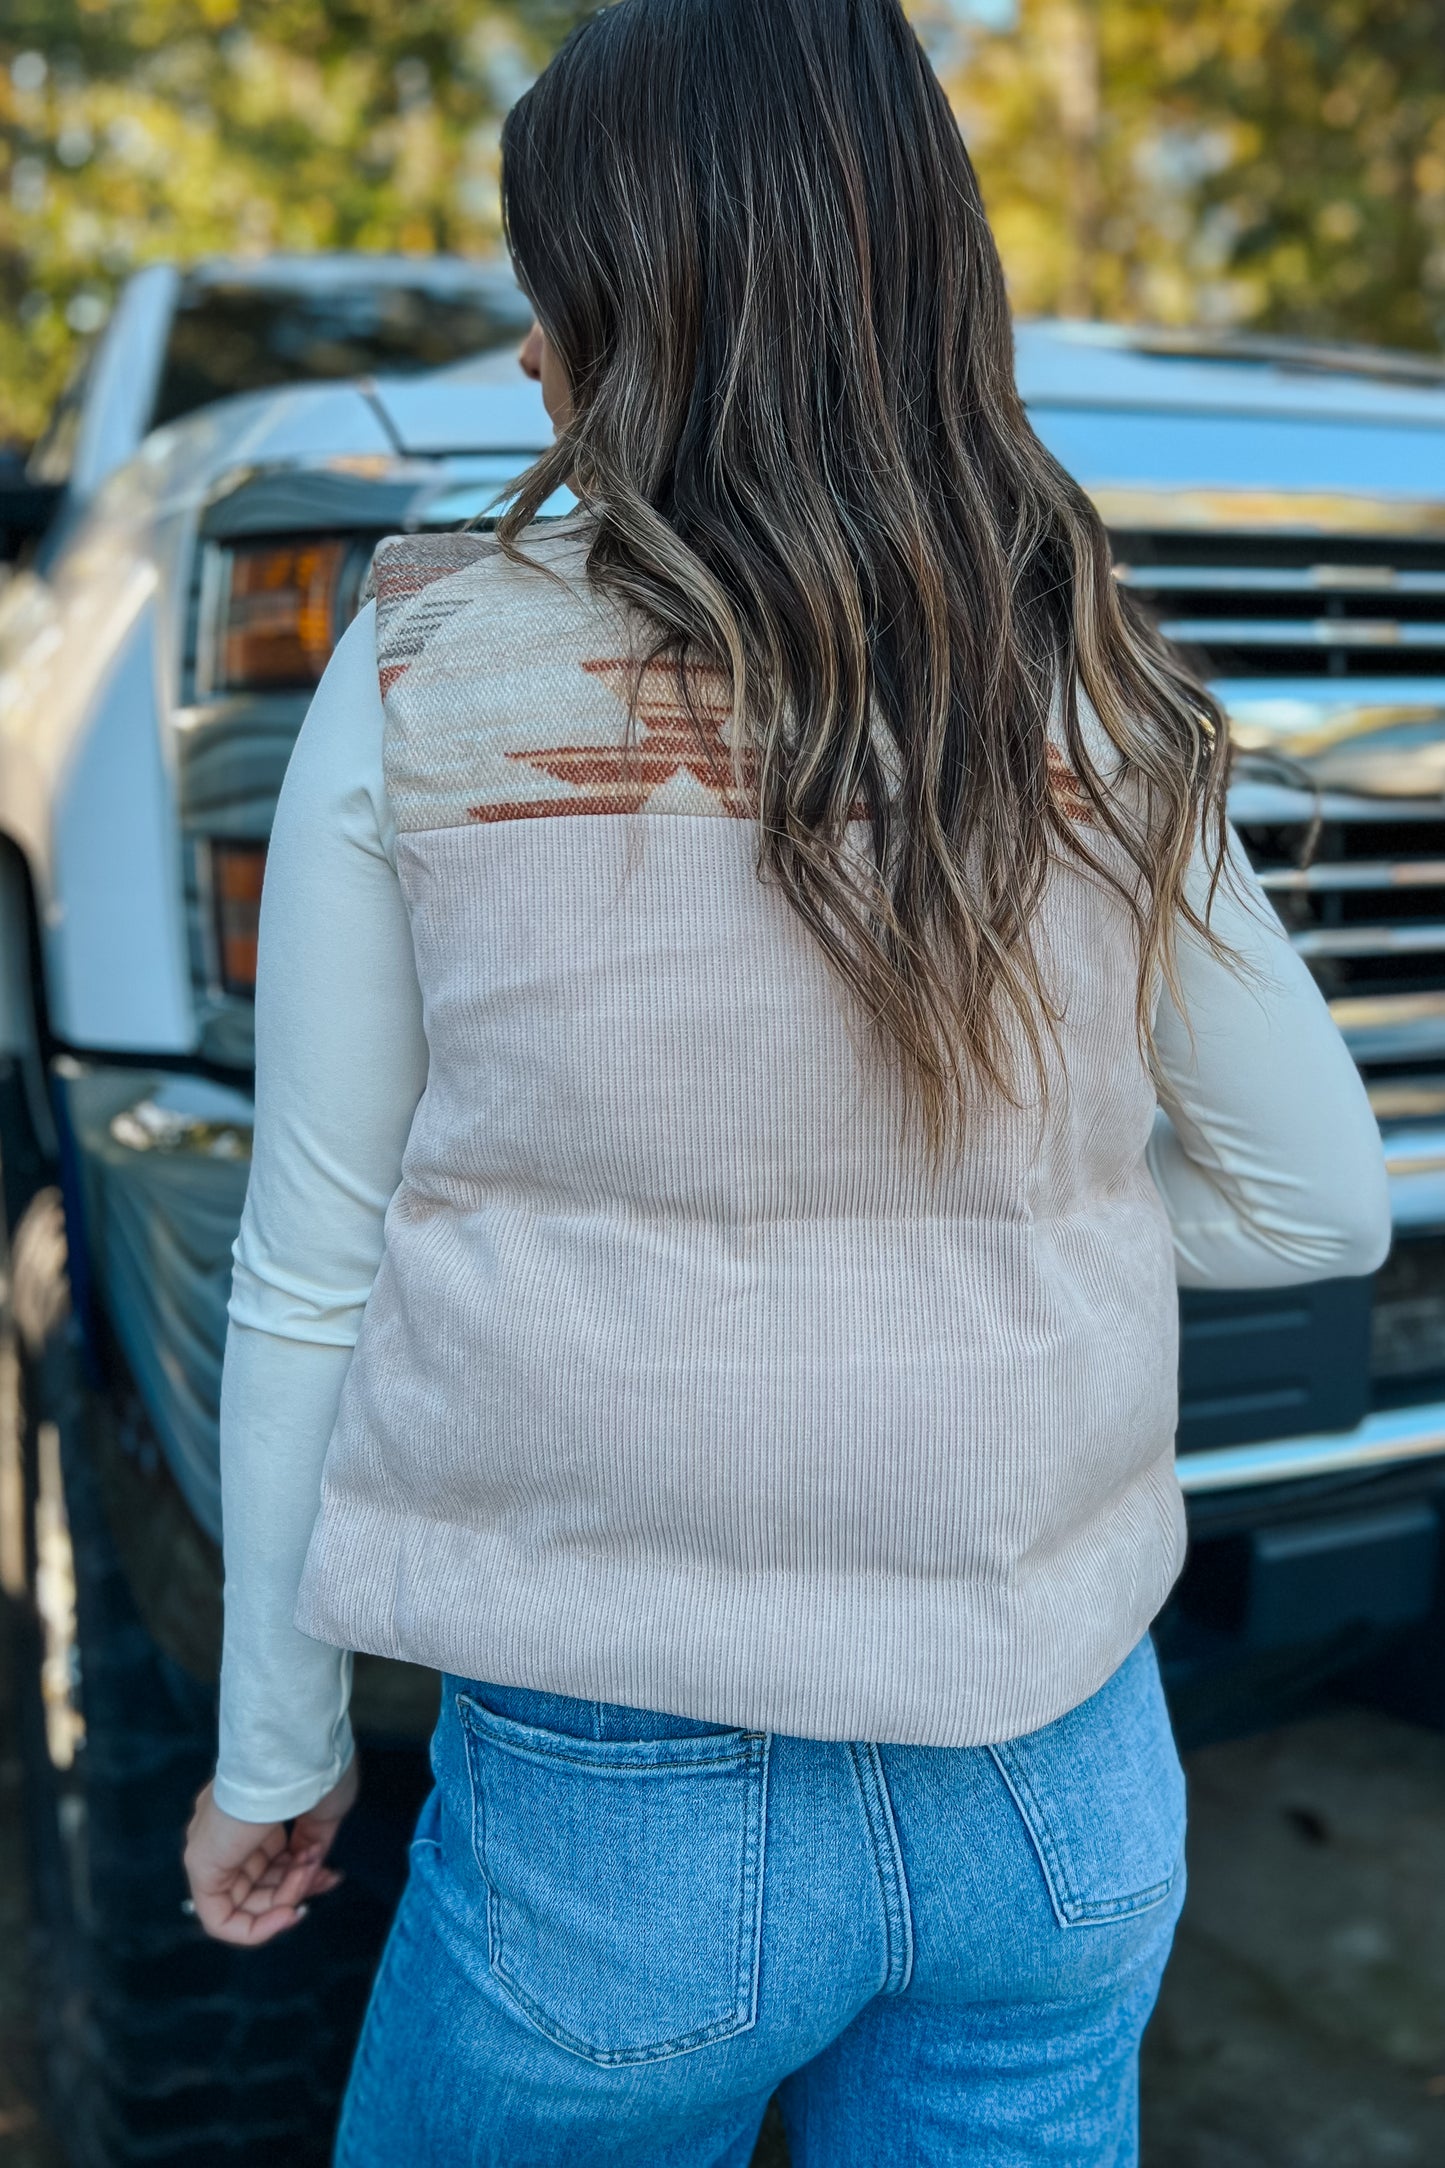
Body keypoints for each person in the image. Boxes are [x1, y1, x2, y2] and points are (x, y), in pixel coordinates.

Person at [182, 1, 1390, 2160]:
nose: (532, 359)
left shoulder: (430, 666)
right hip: (1061, 1770)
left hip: (613, 1810)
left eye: (554, 292)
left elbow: (311, 1272)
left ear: (622, 316)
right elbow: (1321, 1202)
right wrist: (1005, 1230)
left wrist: (278, 1743)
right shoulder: (1088, 676)